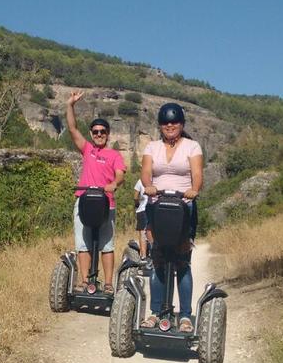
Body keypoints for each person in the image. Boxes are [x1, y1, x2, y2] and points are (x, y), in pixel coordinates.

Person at [140, 102, 203, 331]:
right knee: (158, 259)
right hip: (157, 206)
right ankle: (156, 312)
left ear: (181, 124)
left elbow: (197, 173)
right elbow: (146, 172)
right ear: (160, 125)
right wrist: (148, 186)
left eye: (174, 122)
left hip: (183, 206)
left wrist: (194, 190)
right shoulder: (152, 147)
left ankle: (185, 316)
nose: (170, 125)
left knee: (182, 260)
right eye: (166, 122)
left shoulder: (192, 146)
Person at [66, 90, 126, 293]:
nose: (99, 134)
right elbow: (73, 129)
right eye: (95, 132)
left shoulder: (114, 155)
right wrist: (70, 105)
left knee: (106, 244)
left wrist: (114, 184)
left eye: (102, 131)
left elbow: (120, 175)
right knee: (83, 244)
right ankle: (85, 281)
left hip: (105, 203)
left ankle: (108, 284)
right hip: (84, 201)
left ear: (108, 134)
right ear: (92, 134)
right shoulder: (87, 150)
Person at [133, 178, 149, 260]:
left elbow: (135, 196)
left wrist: (137, 204)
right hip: (155, 208)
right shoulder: (158, 179)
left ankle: (143, 256)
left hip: (142, 209)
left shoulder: (140, 180)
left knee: (142, 232)